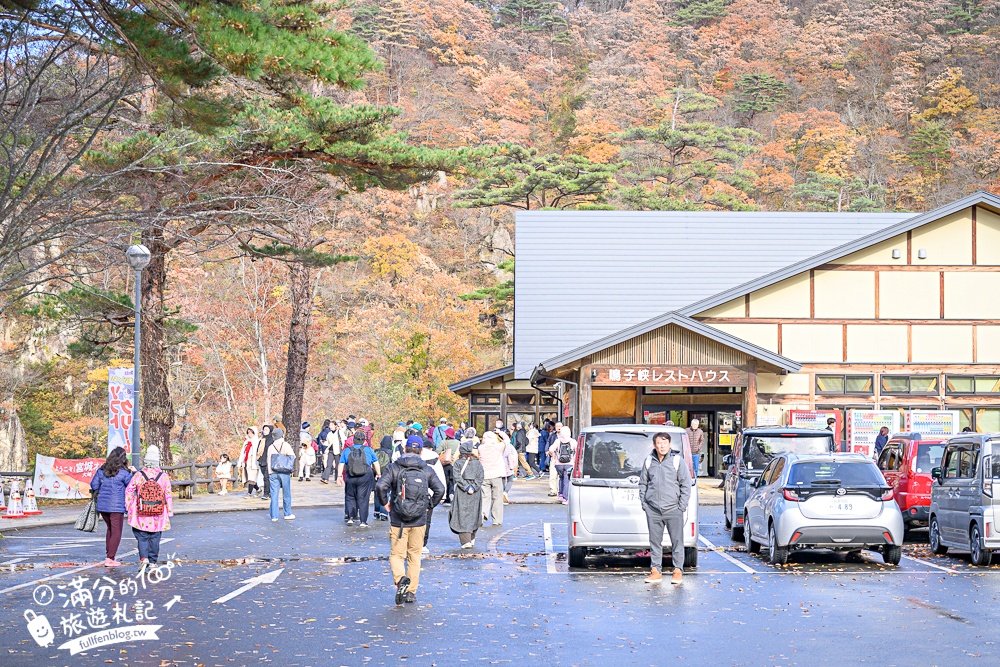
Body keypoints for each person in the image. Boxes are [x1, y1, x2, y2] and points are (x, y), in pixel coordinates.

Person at [374, 435, 445, 605]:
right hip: (419, 519)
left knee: (397, 555)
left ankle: (400, 580)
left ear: (404, 449)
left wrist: (385, 503)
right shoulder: (426, 469)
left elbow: (380, 486)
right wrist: (429, 506)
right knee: (414, 555)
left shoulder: (394, 467)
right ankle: (411, 592)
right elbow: (440, 489)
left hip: (398, 519)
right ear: (420, 451)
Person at [638, 432, 692, 585]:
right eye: (659, 443)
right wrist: (645, 504)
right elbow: (643, 483)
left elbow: (686, 485)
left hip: (673, 509)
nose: (662, 446)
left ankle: (678, 570)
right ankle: (655, 571)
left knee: (677, 541)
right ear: (654, 445)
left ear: (669, 444)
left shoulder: (677, 461)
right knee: (655, 542)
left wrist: (681, 506)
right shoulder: (649, 461)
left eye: (665, 443)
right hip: (653, 509)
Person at [125, 445, 173, 577]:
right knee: (155, 537)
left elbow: (129, 491)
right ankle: (153, 562)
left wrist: (130, 506)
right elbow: (168, 495)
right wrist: (169, 510)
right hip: (158, 512)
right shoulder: (163, 476)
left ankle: (143, 558)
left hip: (141, 511)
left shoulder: (139, 475)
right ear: (157, 461)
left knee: (142, 536)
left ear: (145, 461)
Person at [90, 446, 134, 567]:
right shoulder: (124, 473)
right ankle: (110, 558)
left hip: (102, 506)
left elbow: (94, 485)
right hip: (117, 507)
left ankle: (109, 555)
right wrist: (134, 473)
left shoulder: (101, 471)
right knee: (116, 532)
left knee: (110, 529)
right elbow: (132, 486)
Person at [338, 431, 380, 527]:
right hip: (365, 476)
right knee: (363, 498)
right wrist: (378, 474)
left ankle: (350, 518)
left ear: (354, 440)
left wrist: (339, 476)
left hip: (351, 476)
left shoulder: (347, 450)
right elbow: (375, 462)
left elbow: (341, 464)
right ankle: (363, 521)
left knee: (350, 497)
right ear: (364, 440)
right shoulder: (368, 450)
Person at [449, 441, 484, 549]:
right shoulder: (477, 463)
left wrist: (466, 486)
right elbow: (480, 477)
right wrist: (474, 486)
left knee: (462, 514)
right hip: (476, 492)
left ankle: (466, 540)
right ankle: (472, 537)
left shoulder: (458, 463)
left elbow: (457, 477)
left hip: (462, 491)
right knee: (474, 513)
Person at [420, 441, 447, 553]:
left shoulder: (406, 455)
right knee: (426, 520)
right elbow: (440, 474)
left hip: (408, 492)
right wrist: (443, 496)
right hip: (429, 492)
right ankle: (423, 544)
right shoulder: (434, 457)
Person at [478, 430, 508, 526]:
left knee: (484, 497)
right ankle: (496, 519)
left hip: (484, 476)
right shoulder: (498, 447)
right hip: (496, 475)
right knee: (497, 498)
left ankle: (482, 515)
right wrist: (500, 433)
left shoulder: (480, 448)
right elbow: (507, 440)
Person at [267, 426, 296, 522]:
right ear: (282, 435)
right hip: (284, 472)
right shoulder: (285, 445)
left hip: (273, 472)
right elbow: (292, 456)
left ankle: (274, 516)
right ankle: (287, 513)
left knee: (274, 494)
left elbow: (268, 461)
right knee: (286, 493)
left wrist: (270, 472)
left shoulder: (270, 447)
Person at [549, 426, 575, 504]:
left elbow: (550, 449)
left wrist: (554, 455)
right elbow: (578, 449)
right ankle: (565, 498)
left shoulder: (558, 441)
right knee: (566, 481)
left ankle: (560, 493)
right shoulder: (572, 441)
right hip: (569, 463)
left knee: (561, 478)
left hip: (558, 464)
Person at [437, 427, 461, 504]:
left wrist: (443, 452)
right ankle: (452, 493)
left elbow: (437, 451)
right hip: (455, 464)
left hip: (446, 463)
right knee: (452, 480)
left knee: (445, 479)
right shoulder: (458, 442)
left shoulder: (444, 442)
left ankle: (446, 496)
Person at [374, 435, 393, 520]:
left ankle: (376, 511)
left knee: (376, 493)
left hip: (376, 475)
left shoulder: (376, 451)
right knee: (386, 493)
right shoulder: (391, 452)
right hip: (386, 476)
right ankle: (384, 513)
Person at [239, 427, 261, 498]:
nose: (250, 434)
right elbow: (243, 452)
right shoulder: (246, 442)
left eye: (251, 433)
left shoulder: (257, 442)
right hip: (246, 462)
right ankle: (258, 489)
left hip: (254, 462)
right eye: (248, 433)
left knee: (252, 478)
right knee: (250, 479)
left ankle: (249, 493)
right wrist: (240, 462)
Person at [257, 424, 274, 500]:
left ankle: (266, 493)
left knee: (266, 477)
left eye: (267, 430)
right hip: (262, 460)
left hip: (269, 460)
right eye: (264, 430)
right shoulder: (261, 440)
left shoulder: (272, 440)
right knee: (265, 476)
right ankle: (269, 492)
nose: (265, 431)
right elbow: (258, 450)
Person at [547, 422, 563, 497]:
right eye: (557, 426)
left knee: (561, 476)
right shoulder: (552, 435)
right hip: (554, 457)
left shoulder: (566, 437)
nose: (558, 427)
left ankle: (560, 490)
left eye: (560, 426)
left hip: (563, 459)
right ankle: (553, 490)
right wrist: (547, 450)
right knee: (552, 475)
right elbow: (548, 443)